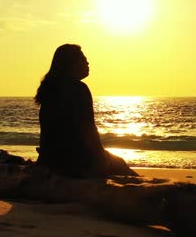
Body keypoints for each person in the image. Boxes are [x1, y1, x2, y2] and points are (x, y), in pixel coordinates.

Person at [35, 44, 136, 177]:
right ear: (71, 64)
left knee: (116, 162)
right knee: (119, 164)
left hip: (50, 159)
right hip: (75, 161)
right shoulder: (78, 88)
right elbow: (89, 129)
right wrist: (101, 160)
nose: (87, 62)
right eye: (83, 59)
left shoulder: (48, 89)